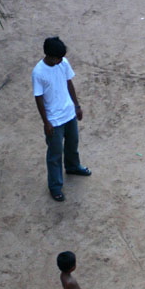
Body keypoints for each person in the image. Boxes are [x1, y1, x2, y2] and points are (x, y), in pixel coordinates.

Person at [32, 37, 91, 202]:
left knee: (73, 143)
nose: (61, 60)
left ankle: (73, 167)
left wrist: (76, 106)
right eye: (58, 58)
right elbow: (39, 98)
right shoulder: (38, 73)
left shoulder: (63, 63)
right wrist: (46, 122)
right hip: (54, 120)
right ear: (50, 56)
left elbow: (69, 83)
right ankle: (55, 186)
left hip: (68, 113)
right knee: (55, 154)